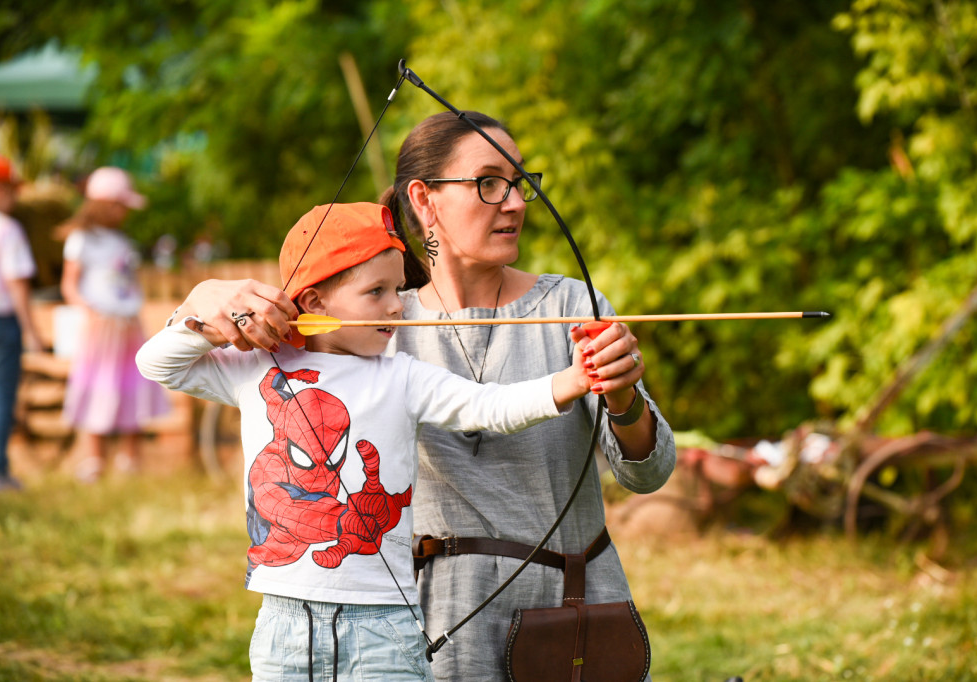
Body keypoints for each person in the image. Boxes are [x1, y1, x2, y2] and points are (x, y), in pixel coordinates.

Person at [176, 110, 676, 681]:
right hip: (433, 616)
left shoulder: (570, 306)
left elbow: (648, 473)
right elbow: (205, 354)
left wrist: (622, 395)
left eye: (521, 183)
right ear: (425, 199)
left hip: (571, 606)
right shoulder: (371, 326)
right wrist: (207, 296)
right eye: (489, 183)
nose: (513, 201)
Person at [136, 201, 598, 681]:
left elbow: (489, 407)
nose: (397, 304)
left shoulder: (404, 377)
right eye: (376, 291)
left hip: (383, 622)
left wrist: (571, 380)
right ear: (314, 304)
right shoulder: (259, 367)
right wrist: (207, 316)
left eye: (397, 288)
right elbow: (157, 363)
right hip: (284, 621)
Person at [56, 166, 169, 481]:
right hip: (101, 326)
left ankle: (130, 459)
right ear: (104, 203)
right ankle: (94, 459)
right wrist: (89, 312)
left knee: (132, 384)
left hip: (128, 325)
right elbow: (70, 285)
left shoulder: (121, 241)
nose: (124, 213)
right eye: (120, 205)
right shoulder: (82, 240)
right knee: (100, 386)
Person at [0, 155, 44, 491]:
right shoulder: (8, 229)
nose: (14, 197)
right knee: (2, 397)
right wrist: (32, 331)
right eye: (10, 190)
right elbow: (16, 283)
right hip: (3, 323)